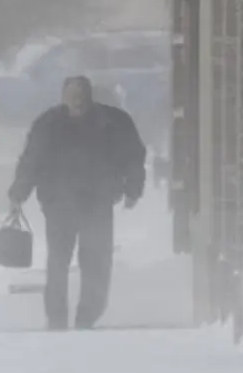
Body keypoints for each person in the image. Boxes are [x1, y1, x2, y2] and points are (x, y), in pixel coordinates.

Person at [8, 75, 147, 331]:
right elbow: (31, 160)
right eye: (72, 95)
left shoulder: (113, 123)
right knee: (58, 261)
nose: (77, 101)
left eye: (81, 95)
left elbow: (133, 156)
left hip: (98, 202)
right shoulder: (48, 124)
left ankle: (88, 314)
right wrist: (19, 193)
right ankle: (56, 316)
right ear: (63, 97)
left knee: (96, 260)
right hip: (58, 204)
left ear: (90, 96)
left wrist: (133, 188)